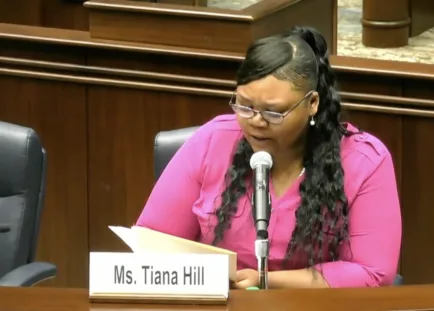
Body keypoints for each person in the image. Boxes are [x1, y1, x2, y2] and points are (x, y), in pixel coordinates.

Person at [136, 26, 401, 289]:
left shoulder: (364, 162)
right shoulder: (213, 141)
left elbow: (372, 273)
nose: (256, 122)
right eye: (244, 106)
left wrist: (266, 281)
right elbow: (154, 243)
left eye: (274, 113)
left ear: (312, 103)